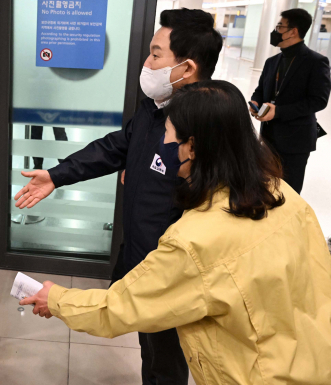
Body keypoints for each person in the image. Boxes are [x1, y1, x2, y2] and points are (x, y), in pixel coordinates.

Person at [21, 80, 331, 385]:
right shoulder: (285, 196)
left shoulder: (195, 240)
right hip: (314, 362)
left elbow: (121, 308)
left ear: (193, 147)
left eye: (169, 137)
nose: (163, 145)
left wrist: (57, 299)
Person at [14, 8, 223, 385]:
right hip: (141, 252)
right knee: (150, 346)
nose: (147, 62)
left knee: (165, 356)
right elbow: (116, 146)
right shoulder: (156, 109)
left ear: (187, 68)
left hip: (170, 271)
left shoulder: (204, 128)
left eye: (157, 54)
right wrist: (57, 176)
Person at [250, 8, 331, 194]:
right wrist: (255, 103)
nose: (275, 31)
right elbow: (261, 90)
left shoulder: (316, 62)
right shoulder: (272, 61)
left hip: (296, 140)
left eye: (280, 26)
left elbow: (318, 100)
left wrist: (278, 111)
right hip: (268, 137)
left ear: (293, 31)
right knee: (265, 188)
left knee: (288, 192)